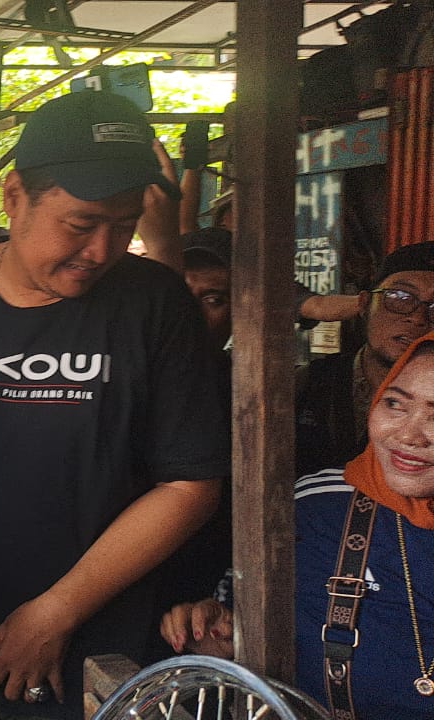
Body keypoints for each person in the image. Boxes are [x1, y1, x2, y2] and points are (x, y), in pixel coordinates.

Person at [0, 90, 228, 720]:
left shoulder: (154, 302)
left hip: (108, 658)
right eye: (80, 224)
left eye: (124, 224)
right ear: (14, 196)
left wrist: (57, 610)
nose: (102, 250)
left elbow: (190, 484)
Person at [163, 331, 434, 719]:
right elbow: (235, 625)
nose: (408, 435)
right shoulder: (319, 507)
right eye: (395, 403)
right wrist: (220, 633)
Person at [296, 242, 434, 477]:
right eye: (399, 297)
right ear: (364, 304)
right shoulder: (307, 384)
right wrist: (311, 305)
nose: (418, 318)